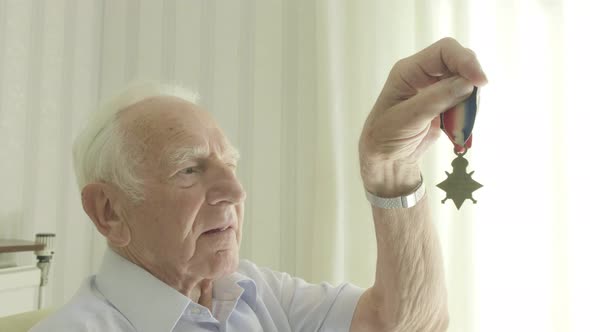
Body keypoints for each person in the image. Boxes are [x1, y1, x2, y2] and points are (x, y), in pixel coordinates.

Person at [31, 37, 487, 332]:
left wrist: (391, 168)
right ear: (109, 211)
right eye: (189, 169)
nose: (235, 191)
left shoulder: (253, 291)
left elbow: (410, 324)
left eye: (230, 164)